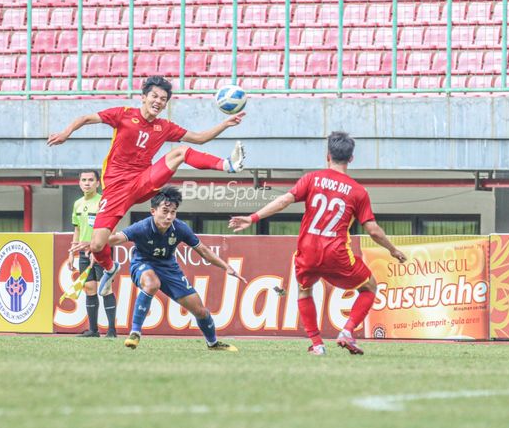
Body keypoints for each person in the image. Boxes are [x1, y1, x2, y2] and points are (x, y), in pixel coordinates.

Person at [48, 76, 246, 298]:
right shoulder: (123, 114)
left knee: (179, 153)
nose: (158, 101)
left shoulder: (165, 126)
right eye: (154, 96)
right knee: (96, 245)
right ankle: (110, 268)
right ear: (143, 97)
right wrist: (66, 133)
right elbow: (85, 118)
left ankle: (227, 165)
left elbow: (199, 139)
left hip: (144, 181)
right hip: (116, 189)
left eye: (163, 99)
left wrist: (225, 124)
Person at [229, 131, 406, 356]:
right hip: (337, 253)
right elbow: (373, 230)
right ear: (351, 159)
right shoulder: (359, 191)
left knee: (305, 292)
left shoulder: (312, 178)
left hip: (308, 251)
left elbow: (284, 200)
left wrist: (252, 218)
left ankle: (317, 344)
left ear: (327, 156)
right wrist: (393, 249)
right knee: (370, 287)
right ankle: (347, 331)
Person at [73, 186, 246, 351]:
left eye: (173, 212)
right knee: (151, 282)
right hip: (142, 263)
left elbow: (203, 251)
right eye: (165, 211)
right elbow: (116, 239)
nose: (169, 216)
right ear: (153, 211)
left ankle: (213, 343)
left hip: (169, 268)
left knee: (200, 310)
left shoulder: (180, 228)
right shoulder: (142, 227)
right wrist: (93, 244)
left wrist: (226, 267)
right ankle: (135, 333)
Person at [67, 170, 117, 338]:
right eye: (84, 180)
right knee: (89, 288)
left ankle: (112, 331)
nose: (87, 183)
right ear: (79, 183)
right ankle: (93, 330)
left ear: (98, 183)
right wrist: (71, 253)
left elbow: (112, 228)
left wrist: (99, 247)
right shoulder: (77, 204)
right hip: (83, 252)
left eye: (90, 180)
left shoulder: (104, 202)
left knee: (106, 289)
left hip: (101, 250)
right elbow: (77, 229)